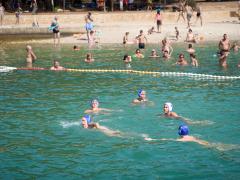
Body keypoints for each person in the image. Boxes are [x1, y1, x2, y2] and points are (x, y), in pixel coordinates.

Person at [145, 125, 209, 146]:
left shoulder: (181, 140)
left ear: (179, 132)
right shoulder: (192, 137)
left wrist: (152, 140)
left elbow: (166, 140)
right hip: (203, 142)